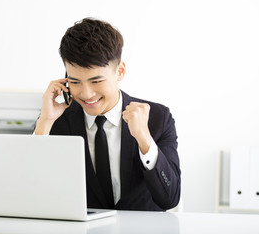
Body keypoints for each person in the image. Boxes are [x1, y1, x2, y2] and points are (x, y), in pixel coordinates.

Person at [34, 18, 181, 211]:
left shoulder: (158, 118)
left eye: (96, 81)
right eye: (75, 82)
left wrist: (144, 139)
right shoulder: (55, 120)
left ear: (120, 71)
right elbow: (32, 191)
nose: (86, 94)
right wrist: (45, 122)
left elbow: (169, 199)